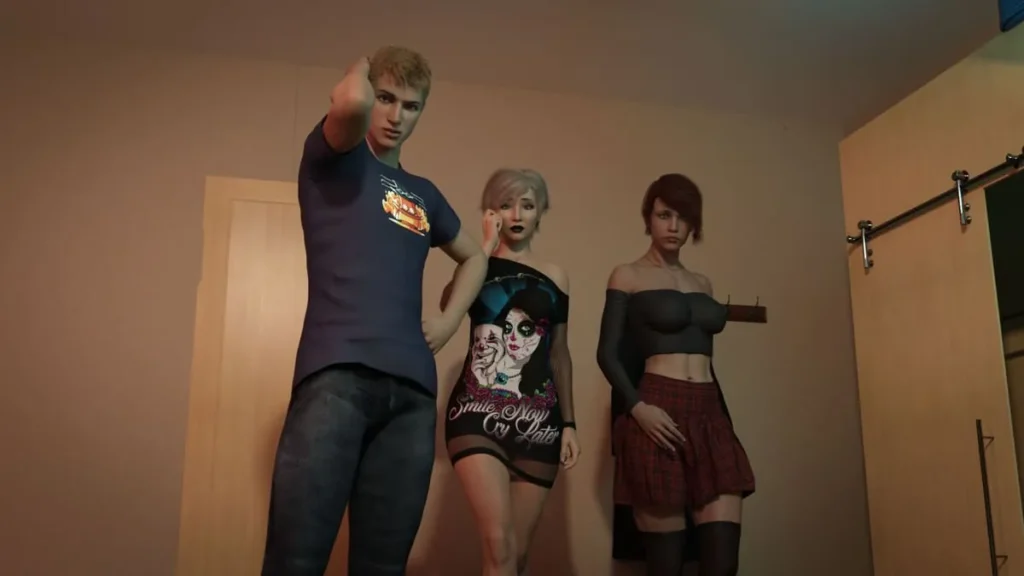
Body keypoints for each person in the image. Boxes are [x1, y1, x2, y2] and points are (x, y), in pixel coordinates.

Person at [261, 46, 488, 576]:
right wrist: (361, 66)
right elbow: (349, 104)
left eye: (411, 106)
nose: (395, 116)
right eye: (386, 98)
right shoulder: (334, 159)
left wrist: (450, 320)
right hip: (334, 381)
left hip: (411, 398)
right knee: (295, 561)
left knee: (383, 568)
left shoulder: (425, 194)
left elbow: (475, 258)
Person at [596, 173, 755, 576]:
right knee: (665, 565)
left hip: (708, 413)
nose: (673, 226)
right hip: (656, 409)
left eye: (683, 218)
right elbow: (607, 354)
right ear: (648, 218)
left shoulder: (702, 283)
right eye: (664, 215)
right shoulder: (627, 275)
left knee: (722, 565)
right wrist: (638, 408)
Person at [441, 168, 581, 576]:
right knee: (499, 546)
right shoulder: (478, 264)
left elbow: (559, 352)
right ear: (492, 212)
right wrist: (482, 250)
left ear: (540, 213)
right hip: (475, 416)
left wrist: (569, 424)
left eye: (527, 205)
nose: (517, 214)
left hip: (539, 424)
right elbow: (449, 305)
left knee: (515, 559)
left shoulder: (556, 275)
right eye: (506, 204)